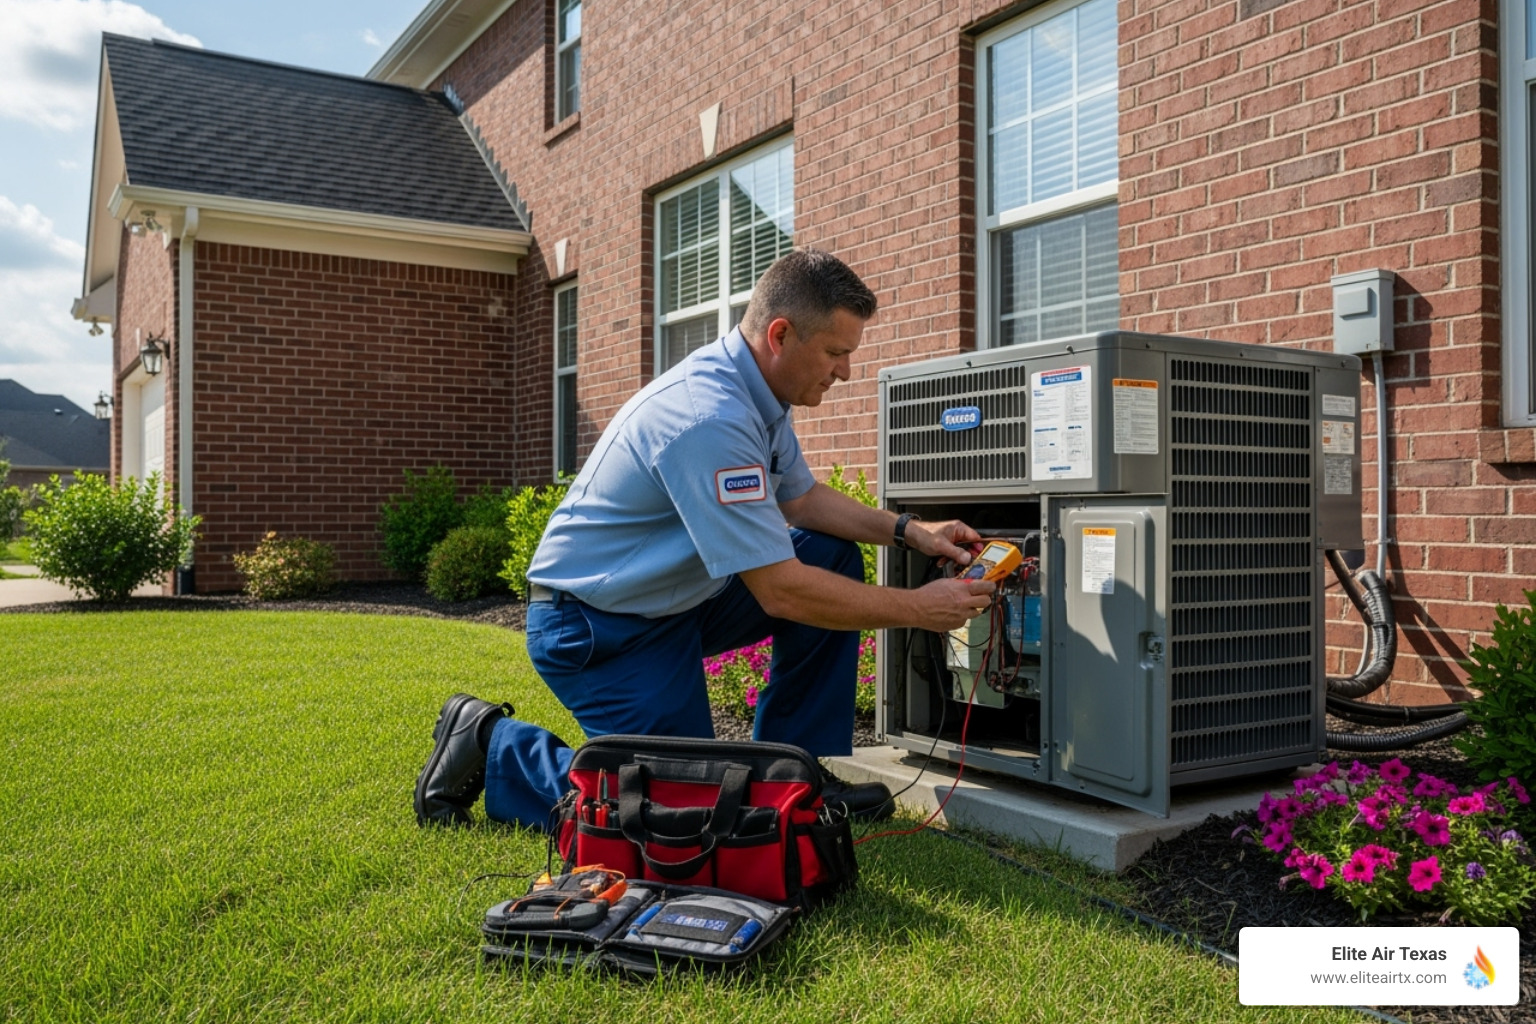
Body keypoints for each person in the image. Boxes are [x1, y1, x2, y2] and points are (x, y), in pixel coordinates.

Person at [414, 248, 996, 829]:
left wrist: (910, 531)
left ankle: (794, 778)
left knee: (829, 555)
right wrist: (918, 609)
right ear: (780, 335)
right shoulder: (710, 417)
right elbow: (781, 592)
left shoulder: (760, 394)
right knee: (685, 814)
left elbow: (801, 500)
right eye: (835, 352)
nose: (845, 371)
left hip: (674, 603)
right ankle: (491, 744)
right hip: (595, 626)